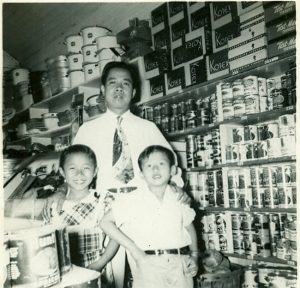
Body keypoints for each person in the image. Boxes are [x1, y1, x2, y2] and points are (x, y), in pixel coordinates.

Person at [40, 61, 190, 288]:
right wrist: (60, 191)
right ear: (102, 89)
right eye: (113, 83)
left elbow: (172, 167)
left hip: (144, 210)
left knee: (152, 276)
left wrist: (178, 190)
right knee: (111, 279)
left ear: (134, 92)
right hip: (104, 214)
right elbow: (73, 168)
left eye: (125, 83)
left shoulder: (149, 129)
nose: (119, 88)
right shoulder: (87, 130)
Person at [100, 145, 199, 288]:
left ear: (173, 170)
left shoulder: (179, 197)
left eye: (161, 164)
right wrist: (135, 251)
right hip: (148, 264)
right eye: (149, 166)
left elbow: (189, 228)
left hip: (180, 263)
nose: (155, 169)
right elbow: (105, 222)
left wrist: (195, 256)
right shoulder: (132, 199)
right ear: (141, 174)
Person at [49, 144, 118, 282]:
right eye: (72, 168)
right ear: (62, 172)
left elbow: (116, 238)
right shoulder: (54, 205)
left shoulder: (104, 200)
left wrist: (100, 264)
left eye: (86, 168)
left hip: (96, 270)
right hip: (63, 275)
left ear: (95, 172)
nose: (79, 174)